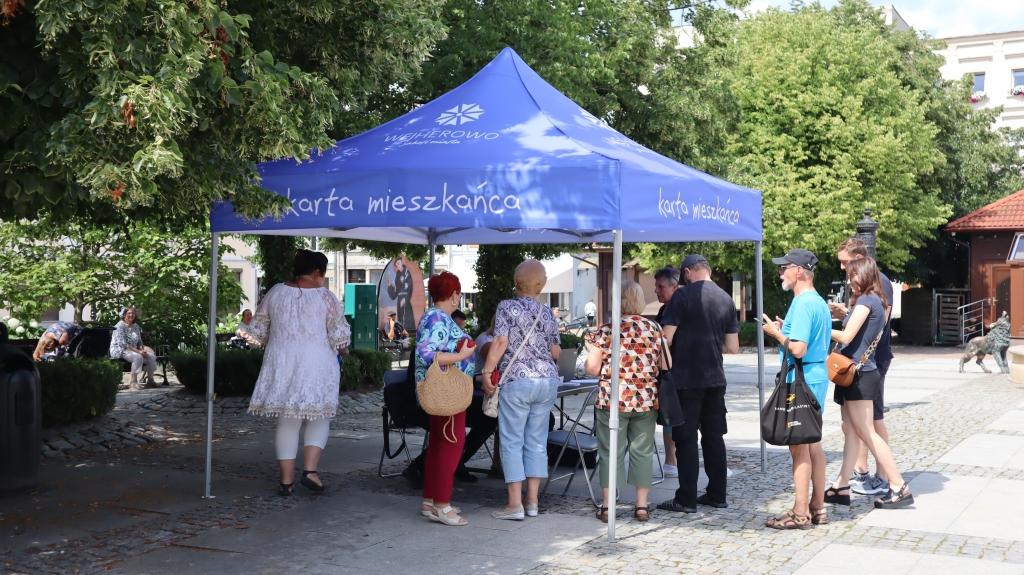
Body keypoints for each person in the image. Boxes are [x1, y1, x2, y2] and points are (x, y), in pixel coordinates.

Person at [242, 249, 351, 496]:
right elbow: (339, 337)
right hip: (317, 363)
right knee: (319, 416)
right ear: (316, 272)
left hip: (282, 362)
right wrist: (344, 352)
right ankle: (310, 471)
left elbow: (257, 331)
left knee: (287, 420)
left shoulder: (275, 292)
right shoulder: (326, 298)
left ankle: (286, 481)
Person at [827, 257, 913, 509]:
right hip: (860, 372)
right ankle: (841, 485)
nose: (849, 281)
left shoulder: (867, 300)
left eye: (852, 276)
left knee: (866, 432)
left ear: (864, 274)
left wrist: (817, 326)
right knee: (854, 430)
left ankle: (898, 485)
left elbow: (846, 336)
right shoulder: (876, 300)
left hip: (860, 374)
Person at [657, 254, 739, 514]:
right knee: (714, 437)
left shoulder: (682, 296)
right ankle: (717, 494)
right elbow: (733, 347)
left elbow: (666, 338)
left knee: (686, 439)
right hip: (715, 378)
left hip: (686, 378)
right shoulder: (726, 298)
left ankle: (686, 498)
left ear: (688, 272)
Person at [481, 259, 561, 521]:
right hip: (547, 381)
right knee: (537, 441)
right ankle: (533, 501)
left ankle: (514, 504)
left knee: (512, 441)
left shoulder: (507, 307)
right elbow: (555, 351)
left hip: (517, 380)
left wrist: (487, 371)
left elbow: (500, 341)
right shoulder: (547, 313)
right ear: (542, 285)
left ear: (516, 282)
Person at [585, 281, 668, 523]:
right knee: (642, 452)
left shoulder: (607, 330)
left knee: (610, 451)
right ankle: (641, 506)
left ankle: (608, 506)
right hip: (645, 399)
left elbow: (592, 368)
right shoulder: (654, 328)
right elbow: (665, 364)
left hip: (613, 400)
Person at [761, 249, 832, 529]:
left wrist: (776, 334)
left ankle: (800, 512)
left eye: (785, 268)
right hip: (815, 375)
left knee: (798, 445)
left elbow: (799, 349)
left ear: (799, 271)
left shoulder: (803, 303)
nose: (781, 273)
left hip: (801, 378)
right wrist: (786, 330)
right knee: (812, 443)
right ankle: (818, 507)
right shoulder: (818, 301)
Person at [833, 237, 895, 497]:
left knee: (871, 423)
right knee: (854, 425)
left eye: (845, 263)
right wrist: (846, 315)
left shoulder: (876, 287)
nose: (843, 269)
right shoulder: (865, 291)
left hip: (868, 363)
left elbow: (877, 323)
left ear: (860, 259)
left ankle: (887, 478)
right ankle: (854, 475)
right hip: (859, 363)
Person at [415, 271, 476, 526]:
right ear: (454, 295)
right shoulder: (438, 318)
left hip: (442, 390)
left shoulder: (433, 316)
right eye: (458, 293)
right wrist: (462, 355)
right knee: (451, 444)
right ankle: (442, 505)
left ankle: (431, 501)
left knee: (440, 444)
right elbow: (428, 353)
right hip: (447, 391)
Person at [653, 266, 681, 478]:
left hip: (678, 369)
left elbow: (665, 340)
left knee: (673, 417)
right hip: (668, 371)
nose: (656, 291)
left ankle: (673, 461)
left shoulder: (675, 307)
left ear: (674, 286)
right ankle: (670, 461)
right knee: (668, 418)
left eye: (660, 287)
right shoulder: (664, 309)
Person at [109, 307, 158, 390]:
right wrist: (139, 352)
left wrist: (143, 350)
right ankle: (133, 382)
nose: (131, 315)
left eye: (133, 313)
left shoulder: (136, 326)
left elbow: (139, 342)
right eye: (129, 313)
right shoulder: (119, 326)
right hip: (119, 350)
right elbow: (123, 344)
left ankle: (150, 381)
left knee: (151, 356)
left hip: (133, 349)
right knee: (137, 357)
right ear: (124, 315)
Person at [387, 256, 416, 332]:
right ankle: (401, 332)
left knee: (406, 318)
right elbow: (394, 294)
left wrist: (405, 299)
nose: (398, 266)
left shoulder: (407, 272)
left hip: (406, 299)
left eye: (398, 263)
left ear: (402, 262)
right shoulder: (398, 275)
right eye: (396, 265)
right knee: (400, 318)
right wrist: (390, 286)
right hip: (400, 299)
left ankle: (407, 332)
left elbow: (409, 287)